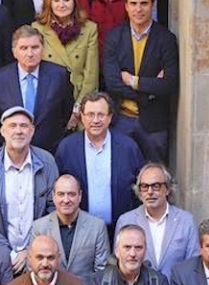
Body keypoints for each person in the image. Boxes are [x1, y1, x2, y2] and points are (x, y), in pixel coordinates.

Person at [100, 0, 176, 162]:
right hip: (121, 120)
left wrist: (134, 81)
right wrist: (149, 92)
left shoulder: (166, 39)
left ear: (153, 4)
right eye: (133, 4)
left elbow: (169, 83)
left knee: (156, 177)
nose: (138, 9)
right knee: (121, 174)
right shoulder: (114, 37)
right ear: (126, 6)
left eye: (144, 3)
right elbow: (112, 82)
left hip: (154, 123)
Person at [0, 107, 59, 258]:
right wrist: (8, 253)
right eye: (12, 126)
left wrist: (31, 249)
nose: (18, 131)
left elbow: (54, 210)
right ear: (3, 131)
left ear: (32, 131)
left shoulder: (47, 162)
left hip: (38, 257)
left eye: (24, 126)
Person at [54, 94, 143, 239]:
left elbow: (140, 187)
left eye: (101, 115)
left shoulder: (128, 147)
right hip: (79, 232)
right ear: (82, 116)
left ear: (110, 117)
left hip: (120, 232)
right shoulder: (67, 148)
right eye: (90, 114)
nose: (95, 120)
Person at [0, 26, 74, 152]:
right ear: (14, 52)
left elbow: (66, 110)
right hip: (12, 153)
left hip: (50, 151)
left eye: (35, 47)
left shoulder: (59, 75)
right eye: (24, 48)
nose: (30, 53)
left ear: (43, 49)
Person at [114, 164, 195, 278]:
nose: (150, 191)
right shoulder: (126, 221)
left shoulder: (186, 221)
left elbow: (193, 266)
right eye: (144, 187)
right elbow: (120, 265)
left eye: (156, 186)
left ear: (167, 189)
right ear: (140, 192)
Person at [30, 174, 110, 285]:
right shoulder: (39, 227)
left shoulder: (97, 226)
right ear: (53, 196)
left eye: (71, 194)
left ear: (80, 196)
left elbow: (102, 271)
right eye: (61, 194)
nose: (66, 200)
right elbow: (33, 267)